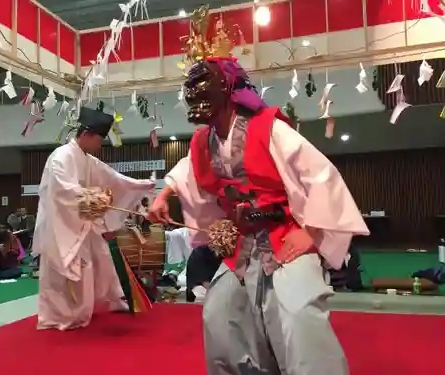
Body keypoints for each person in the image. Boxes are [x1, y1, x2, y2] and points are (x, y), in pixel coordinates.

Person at [148, 10, 369, 375]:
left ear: (229, 88)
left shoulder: (268, 128)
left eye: (205, 82)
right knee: (220, 314)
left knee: (298, 314)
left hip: (284, 234)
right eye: (192, 85)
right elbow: (186, 171)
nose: (194, 92)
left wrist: (310, 230)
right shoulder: (204, 140)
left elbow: (320, 175)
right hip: (243, 244)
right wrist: (162, 195)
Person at [32, 103, 155, 331]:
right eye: (99, 139)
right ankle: (59, 315)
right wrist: (92, 197)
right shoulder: (61, 157)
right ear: (87, 134)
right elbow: (62, 191)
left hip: (81, 223)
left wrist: (140, 185)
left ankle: (108, 300)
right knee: (67, 273)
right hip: (61, 226)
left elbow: (113, 179)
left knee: (99, 258)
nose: (100, 145)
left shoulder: (87, 159)